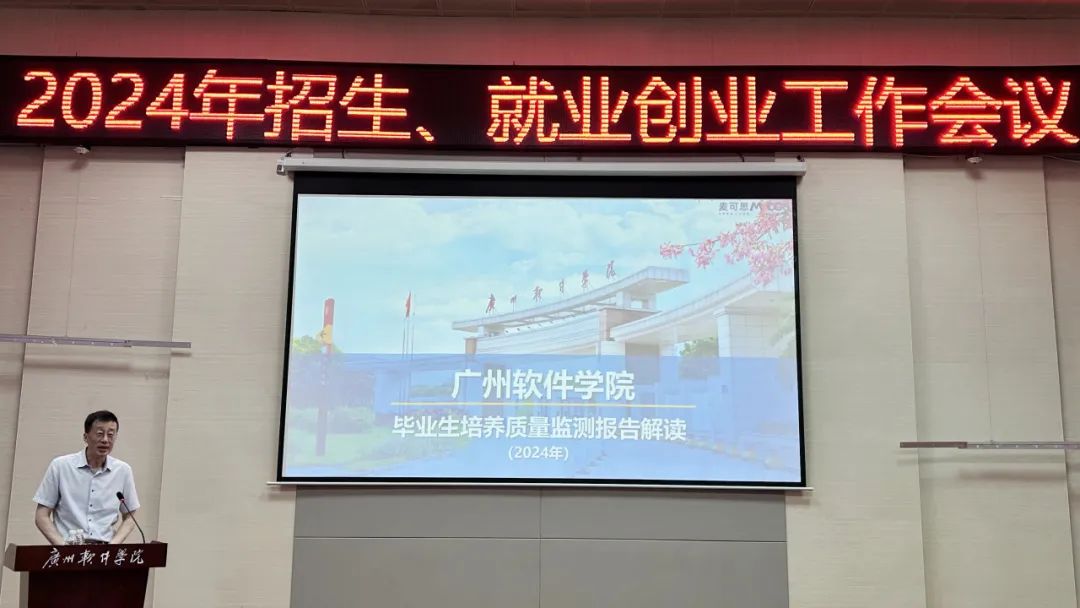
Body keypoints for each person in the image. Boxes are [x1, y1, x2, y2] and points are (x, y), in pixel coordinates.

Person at [33, 410, 140, 545]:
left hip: (105, 550)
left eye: (110, 435)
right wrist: (62, 547)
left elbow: (130, 517)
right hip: (68, 547)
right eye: (99, 434)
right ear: (85, 437)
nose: (105, 440)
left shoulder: (123, 471)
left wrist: (113, 546)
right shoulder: (61, 466)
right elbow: (41, 516)